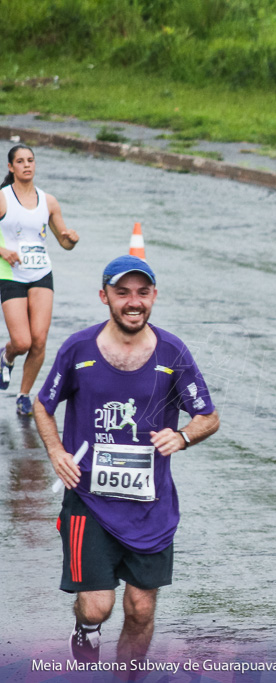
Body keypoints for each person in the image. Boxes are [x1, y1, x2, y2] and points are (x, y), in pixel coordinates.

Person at [34, 255, 219, 666]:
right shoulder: (78, 349)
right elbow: (42, 406)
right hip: (89, 501)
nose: (133, 302)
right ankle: (86, 628)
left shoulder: (173, 352)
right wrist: (56, 452)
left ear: (154, 296)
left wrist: (184, 436)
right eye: (122, 293)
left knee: (140, 610)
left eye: (142, 292)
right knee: (97, 606)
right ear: (105, 297)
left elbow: (208, 416)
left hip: (151, 508)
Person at [0, 144, 80, 415]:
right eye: (20, 161)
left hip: (41, 273)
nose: (27, 165)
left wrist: (71, 239)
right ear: (11, 167)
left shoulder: (49, 201)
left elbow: (63, 242)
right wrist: (2, 250)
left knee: (39, 340)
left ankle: (24, 395)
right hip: (11, 274)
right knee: (22, 342)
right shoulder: (3, 198)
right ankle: (6, 355)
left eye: (30, 160)